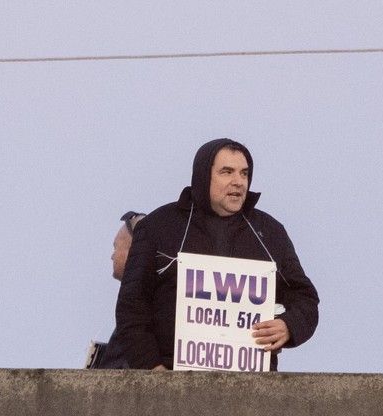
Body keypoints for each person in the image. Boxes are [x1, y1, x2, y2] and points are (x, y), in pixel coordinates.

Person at [115, 139, 319, 370]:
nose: (238, 182)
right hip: (172, 384)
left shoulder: (269, 232)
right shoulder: (158, 227)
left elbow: (305, 300)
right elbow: (132, 308)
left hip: (252, 389)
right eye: (227, 172)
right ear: (204, 176)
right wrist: (152, 370)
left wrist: (289, 326)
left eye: (244, 173)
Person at [87, 211, 146, 369]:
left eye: (116, 247)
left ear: (133, 250)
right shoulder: (143, 299)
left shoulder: (140, 305)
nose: (112, 256)